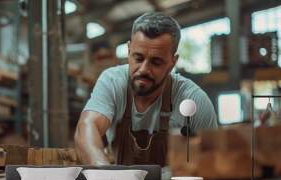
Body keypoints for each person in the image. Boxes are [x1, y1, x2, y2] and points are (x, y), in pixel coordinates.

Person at [74, 12, 218, 166]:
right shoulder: (113, 81)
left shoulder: (193, 100)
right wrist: (104, 173)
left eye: (156, 62)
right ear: (129, 51)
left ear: (172, 62)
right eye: (138, 58)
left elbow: (216, 159)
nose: (144, 69)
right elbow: (87, 127)